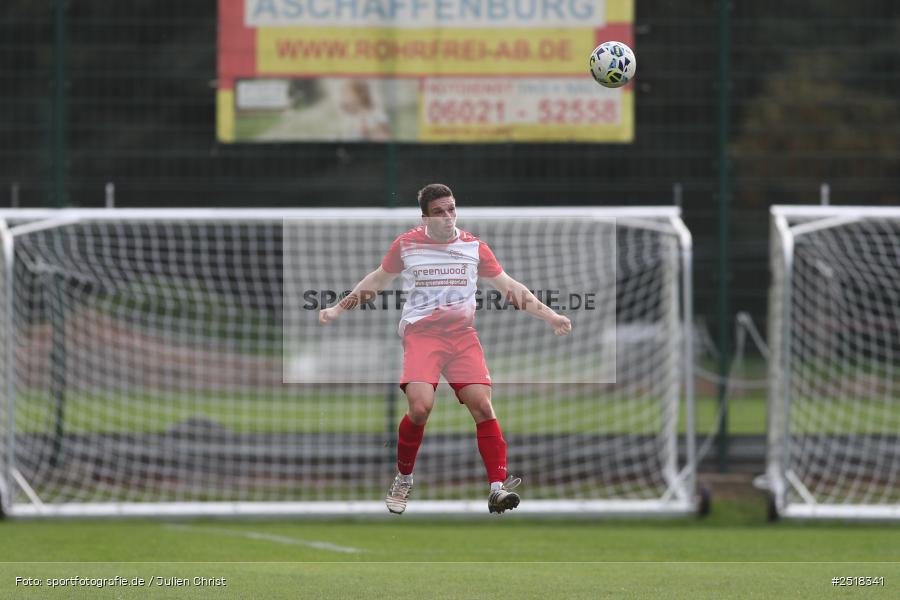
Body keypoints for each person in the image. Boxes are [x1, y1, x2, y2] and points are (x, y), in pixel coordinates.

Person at [319, 184, 572, 514]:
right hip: (422, 336)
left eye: (451, 209)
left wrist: (550, 316)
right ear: (425, 216)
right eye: (439, 212)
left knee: (482, 405)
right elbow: (377, 281)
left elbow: (510, 287)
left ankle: (497, 487)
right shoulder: (407, 244)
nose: (448, 216)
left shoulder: (474, 247)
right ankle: (404, 478)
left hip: (462, 337)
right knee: (421, 408)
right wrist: (339, 308)